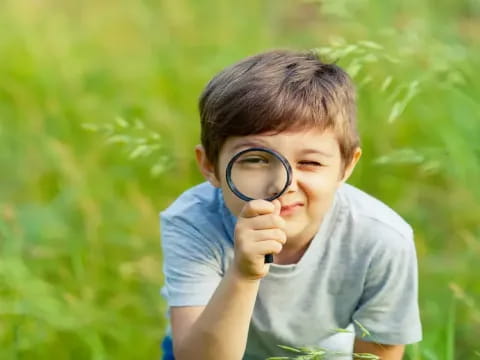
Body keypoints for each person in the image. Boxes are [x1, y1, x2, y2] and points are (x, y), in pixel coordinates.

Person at [159, 49, 422, 360]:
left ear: (346, 167)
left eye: (309, 162)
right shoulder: (193, 221)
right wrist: (243, 274)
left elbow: (380, 352)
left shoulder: (382, 238)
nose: (280, 185)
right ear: (210, 166)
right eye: (255, 160)